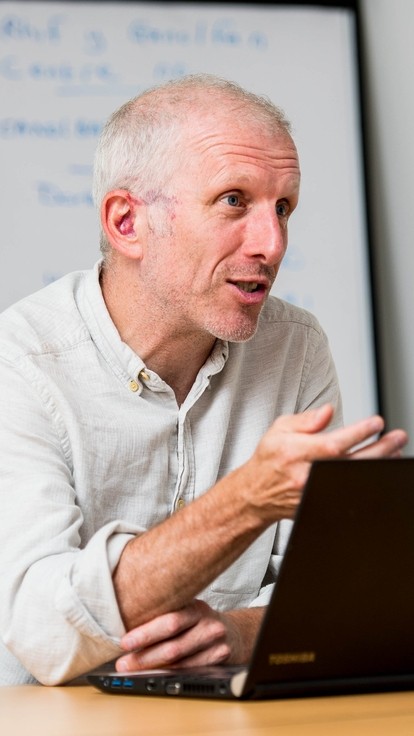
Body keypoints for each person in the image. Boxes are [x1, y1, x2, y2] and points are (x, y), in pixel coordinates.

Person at [0, 74, 407, 687]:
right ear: (127, 222)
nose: (272, 243)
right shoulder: (21, 363)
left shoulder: (297, 349)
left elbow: (334, 602)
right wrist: (248, 499)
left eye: (284, 207)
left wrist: (238, 632)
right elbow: (41, 634)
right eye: (233, 201)